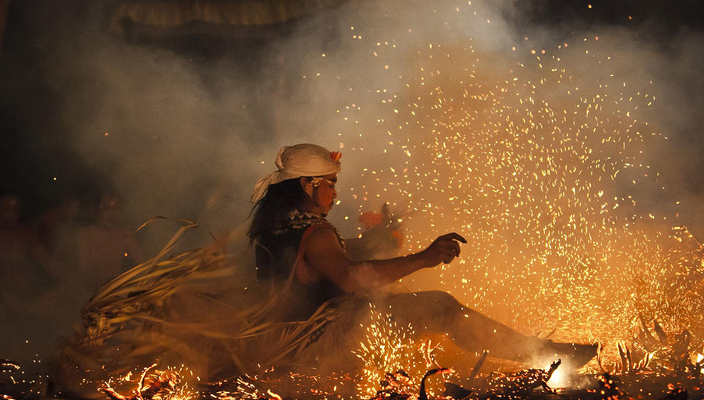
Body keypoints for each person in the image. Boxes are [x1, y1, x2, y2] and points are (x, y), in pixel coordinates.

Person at [248, 143, 597, 367]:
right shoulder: (316, 232)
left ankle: (539, 351)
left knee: (406, 305)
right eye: (330, 183)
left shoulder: (277, 227)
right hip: (318, 343)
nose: (334, 193)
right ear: (306, 184)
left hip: (285, 343)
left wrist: (378, 239)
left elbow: (329, 258)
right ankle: (544, 355)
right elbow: (350, 277)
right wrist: (424, 258)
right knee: (440, 307)